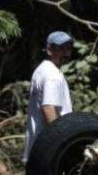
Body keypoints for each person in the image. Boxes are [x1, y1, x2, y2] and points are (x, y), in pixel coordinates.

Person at [23, 30, 75, 164]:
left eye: (68, 48)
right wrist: (61, 143)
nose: (66, 53)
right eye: (61, 48)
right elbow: (48, 108)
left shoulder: (41, 70)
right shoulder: (52, 75)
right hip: (50, 152)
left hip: (37, 149)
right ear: (49, 50)